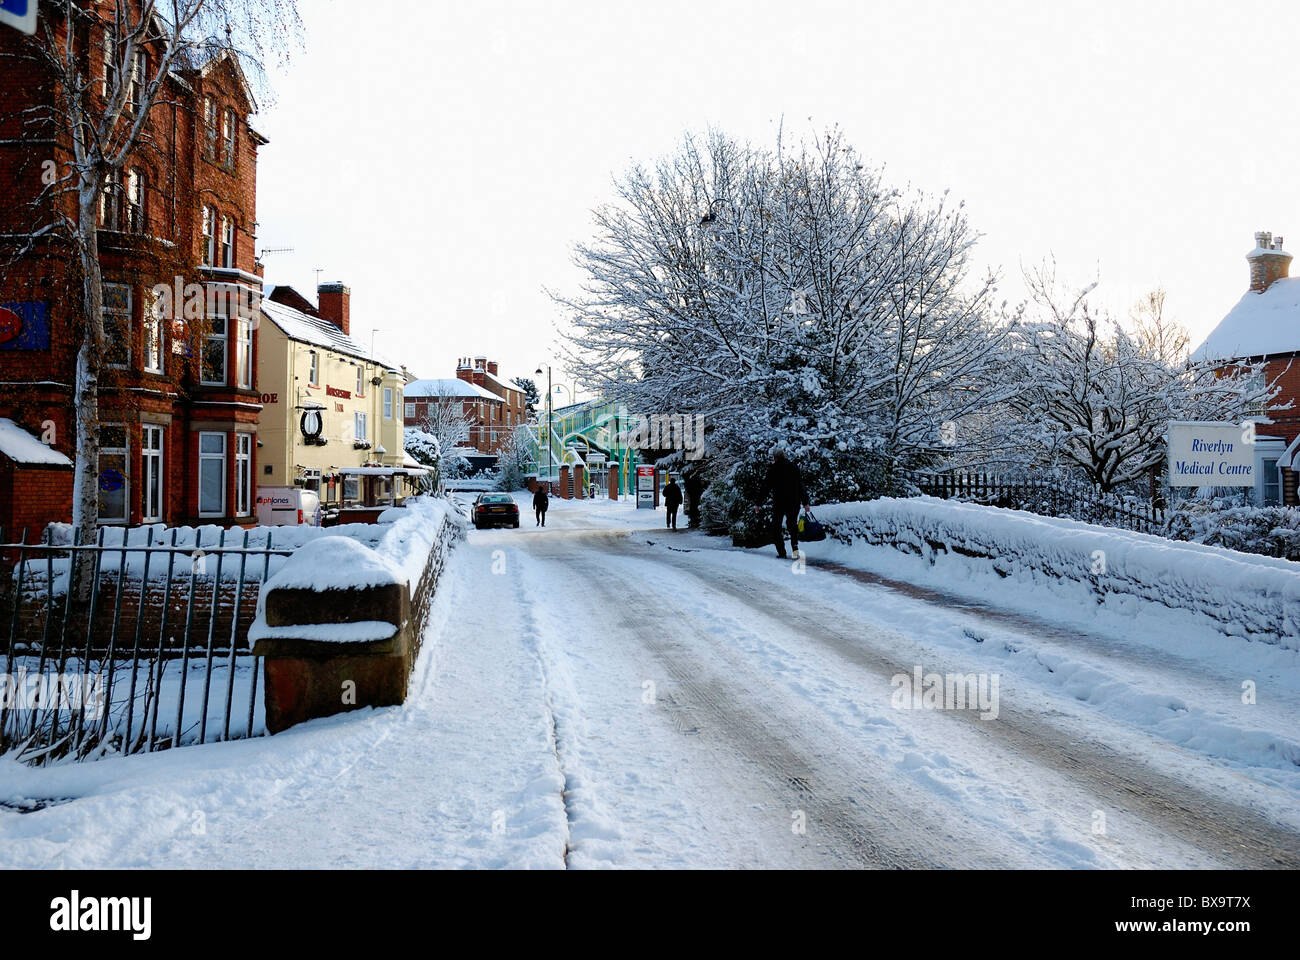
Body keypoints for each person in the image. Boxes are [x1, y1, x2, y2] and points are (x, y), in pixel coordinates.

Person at [761, 448, 809, 559]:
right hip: (793, 502)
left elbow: (766, 487)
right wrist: (805, 502)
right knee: (792, 525)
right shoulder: (794, 467)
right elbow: (800, 485)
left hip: (779, 503)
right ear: (784, 455)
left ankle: (782, 552)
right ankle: (795, 549)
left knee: (776, 527)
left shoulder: (773, 469)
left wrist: (759, 502)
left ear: (774, 457)